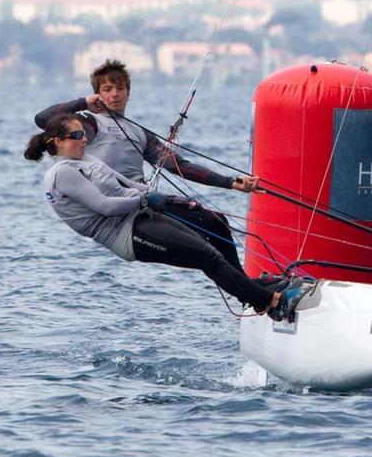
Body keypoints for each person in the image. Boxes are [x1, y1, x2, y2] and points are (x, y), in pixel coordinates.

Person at [24, 113, 305, 321]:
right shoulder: (62, 174)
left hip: (139, 215)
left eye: (83, 133)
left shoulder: (85, 159)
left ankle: (250, 289)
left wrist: (167, 199)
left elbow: (124, 184)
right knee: (205, 255)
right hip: (126, 235)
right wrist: (144, 199)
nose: (84, 138)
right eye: (76, 135)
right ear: (58, 142)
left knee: (212, 226)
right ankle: (270, 302)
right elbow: (105, 206)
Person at [34, 59, 254, 273]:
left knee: (216, 223)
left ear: (128, 92)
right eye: (107, 89)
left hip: (144, 200)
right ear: (97, 94)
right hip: (120, 212)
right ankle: (253, 293)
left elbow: (178, 165)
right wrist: (83, 102)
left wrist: (230, 182)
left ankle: (249, 288)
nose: (114, 94)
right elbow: (43, 120)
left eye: (120, 88)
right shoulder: (89, 125)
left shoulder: (139, 133)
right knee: (202, 249)